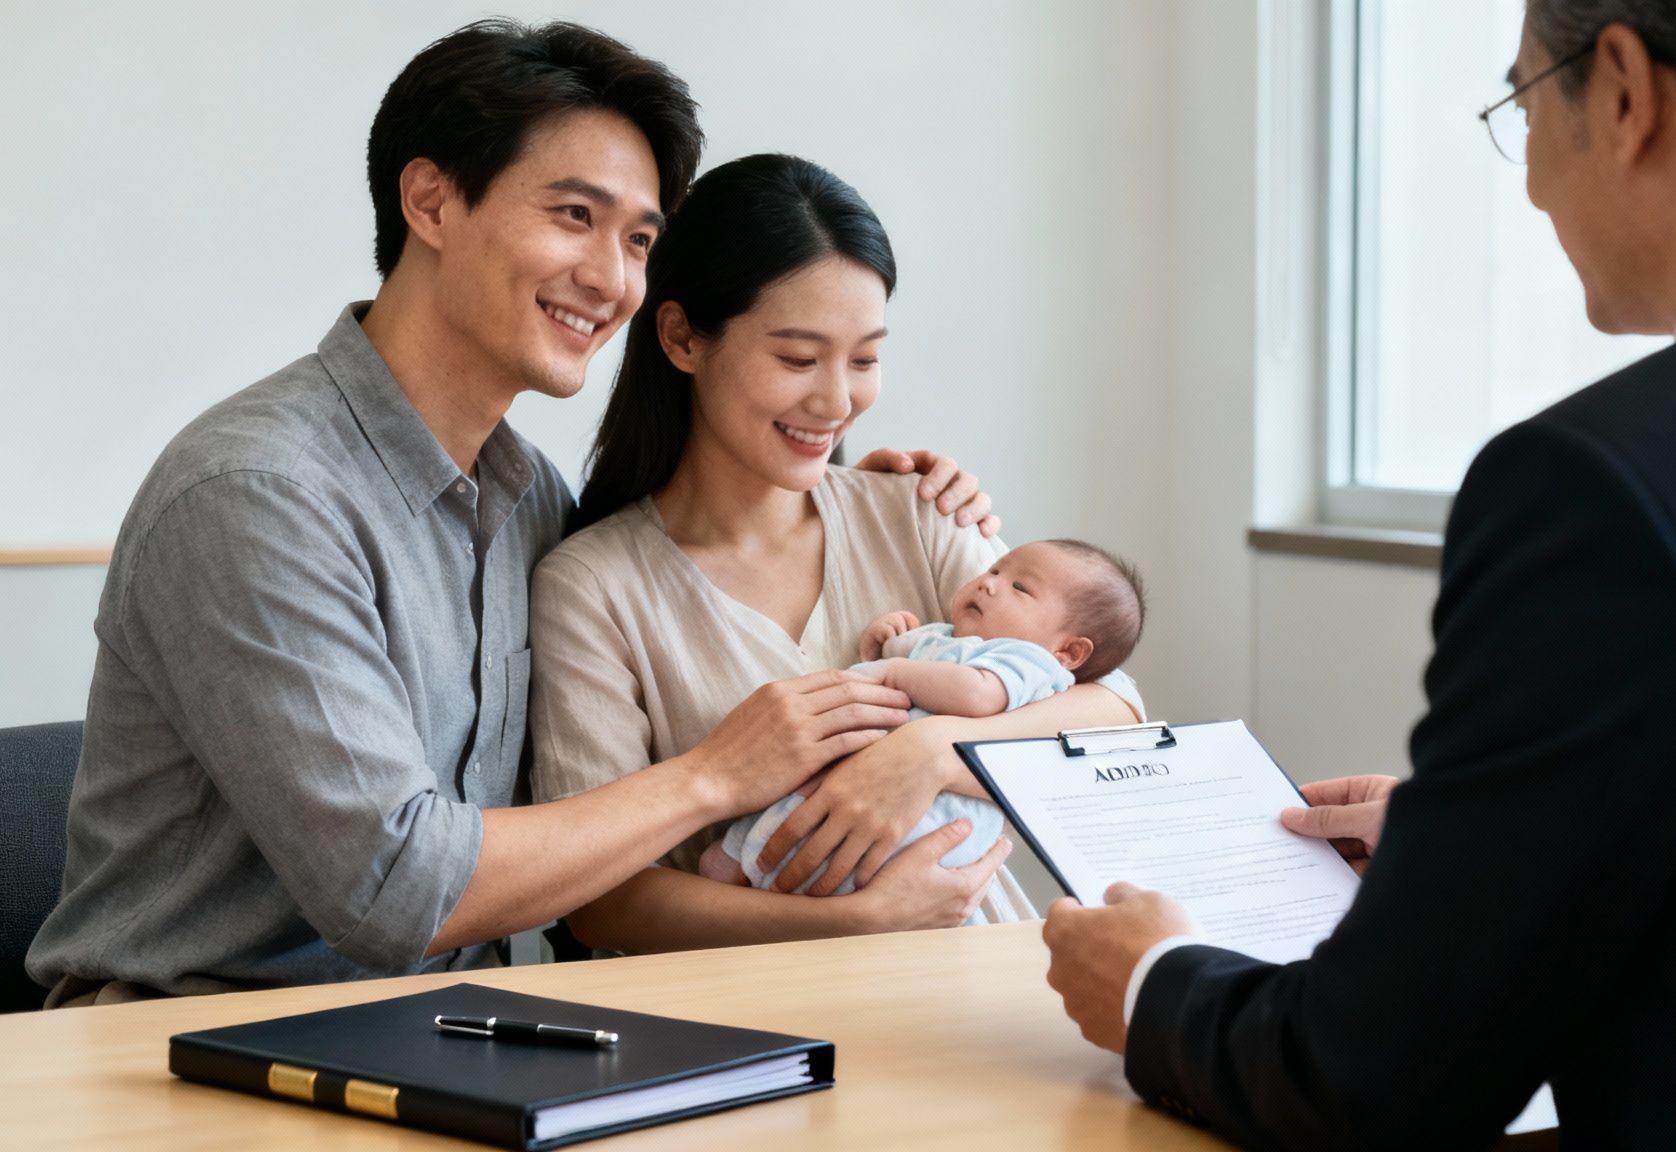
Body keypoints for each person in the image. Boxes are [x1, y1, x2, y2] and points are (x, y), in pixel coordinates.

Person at [1043, 1, 1676, 1148]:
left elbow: (1374, 1082)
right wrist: (1476, 840)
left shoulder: (1600, 482)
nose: (1525, 182)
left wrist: (1152, 984)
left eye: (1520, 102)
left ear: (1620, 88)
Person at [26, 20, 993, 1006]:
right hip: (184, 1043)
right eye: (574, 215)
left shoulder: (531, 497)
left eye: (639, 240)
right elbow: (394, 888)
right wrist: (715, 776)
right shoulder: (256, 496)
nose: (612, 279)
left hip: (442, 1030)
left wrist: (861, 490)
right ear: (431, 201)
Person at [527, 154, 1147, 953]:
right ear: (681, 337)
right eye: (796, 358)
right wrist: (854, 923)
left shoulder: (919, 514)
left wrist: (928, 752)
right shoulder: (592, 588)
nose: (836, 401)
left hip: (994, 984)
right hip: (758, 1024)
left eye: (864, 359)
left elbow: (1115, 714)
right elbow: (604, 901)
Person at [701, 538, 1147, 900]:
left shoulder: (1029, 663)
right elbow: (886, 663)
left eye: (1021, 589)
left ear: (1067, 651)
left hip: (931, 807)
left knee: (863, 851)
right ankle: (747, 861)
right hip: (855, 769)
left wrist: (896, 669)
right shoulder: (945, 635)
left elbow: (977, 694)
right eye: (994, 570)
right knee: (745, 846)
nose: (989, 584)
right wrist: (888, 640)